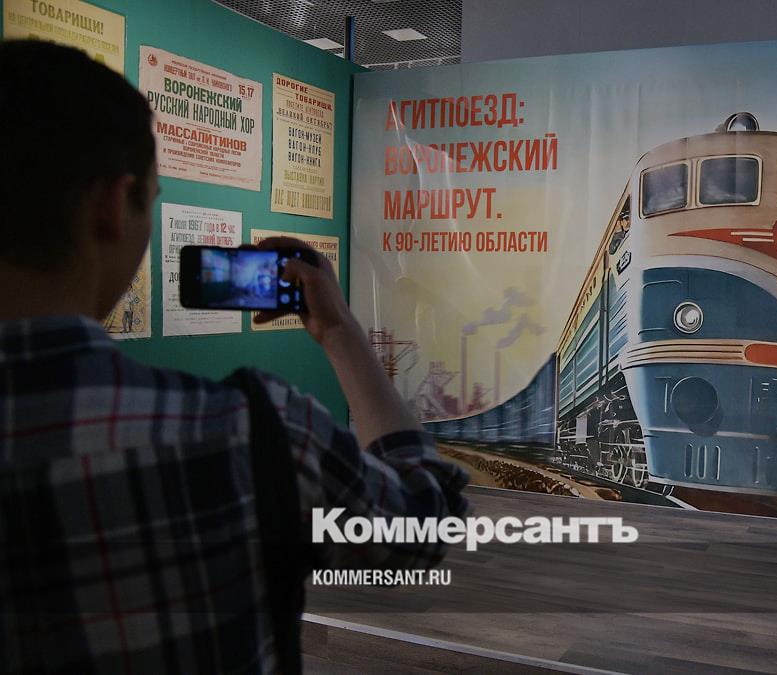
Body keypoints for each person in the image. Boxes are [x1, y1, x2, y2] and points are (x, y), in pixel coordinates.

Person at [0, 40, 468, 672]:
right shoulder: (256, 433)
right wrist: (341, 332)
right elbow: (420, 527)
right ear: (111, 206)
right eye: (151, 198)